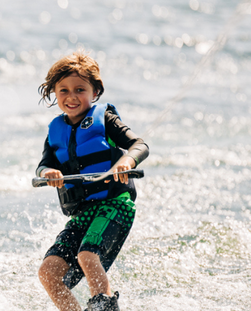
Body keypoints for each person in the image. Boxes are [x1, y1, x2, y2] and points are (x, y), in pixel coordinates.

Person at [34, 51, 148, 311]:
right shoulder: (55, 131)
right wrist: (47, 174)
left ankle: (104, 307)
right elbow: (43, 165)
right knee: (48, 272)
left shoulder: (105, 120)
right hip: (83, 214)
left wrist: (126, 162)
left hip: (115, 205)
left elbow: (139, 145)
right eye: (63, 90)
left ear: (95, 92)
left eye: (80, 89)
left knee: (87, 255)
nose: (71, 96)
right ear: (53, 93)